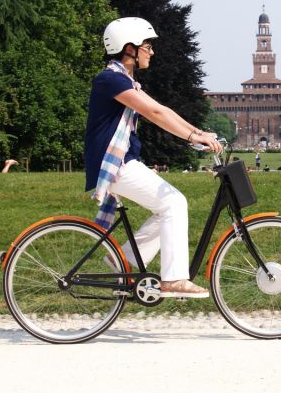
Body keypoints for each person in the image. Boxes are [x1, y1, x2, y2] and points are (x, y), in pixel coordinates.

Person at [84, 17, 222, 298]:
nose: (152, 51)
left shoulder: (125, 81)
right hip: (115, 164)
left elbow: (162, 110)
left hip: (121, 161)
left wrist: (197, 132)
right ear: (129, 48)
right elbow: (155, 114)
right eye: (147, 45)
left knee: (169, 209)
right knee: (174, 203)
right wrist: (194, 137)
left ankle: (122, 260)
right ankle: (173, 279)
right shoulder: (110, 80)